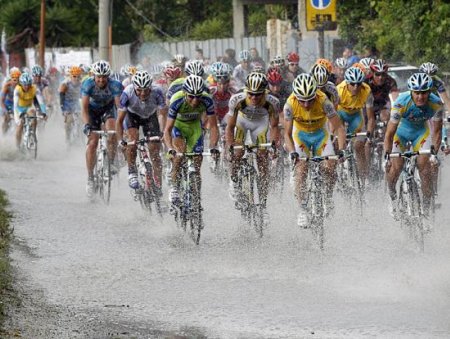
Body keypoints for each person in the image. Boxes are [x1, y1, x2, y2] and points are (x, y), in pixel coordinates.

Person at [284, 73, 346, 227]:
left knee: (330, 165)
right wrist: (292, 152)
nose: (306, 105)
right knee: (301, 168)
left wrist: (342, 150)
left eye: (310, 100)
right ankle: (302, 209)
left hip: (320, 135)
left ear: (315, 95)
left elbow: (339, 127)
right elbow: (286, 133)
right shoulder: (290, 104)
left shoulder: (324, 102)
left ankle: (328, 197)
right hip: (301, 136)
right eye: (302, 101)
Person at [384, 73, 443, 222]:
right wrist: (387, 155)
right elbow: (390, 133)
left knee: (425, 168)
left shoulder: (436, 104)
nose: (420, 97)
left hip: (420, 133)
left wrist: (434, 154)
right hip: (400, 133)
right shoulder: (400, 103)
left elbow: (436, 132)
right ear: (411, 92)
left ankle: (426, 207)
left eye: (424, 93)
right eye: (416, 93)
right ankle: (392, 196)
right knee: (396, 167)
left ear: (429, 92)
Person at [225, 72, 280, 223]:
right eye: (251, 94)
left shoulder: (272, 101)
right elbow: (229, 127)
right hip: (241, 122)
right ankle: (234, 181)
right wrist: (230, 146)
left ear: (265, 92)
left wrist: (274, 146)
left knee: (263, 159)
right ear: (246, 90)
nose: (254, 97)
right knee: (237, 152)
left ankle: (262, 205)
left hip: (260, 123)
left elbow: (275, 127)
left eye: (258, 94)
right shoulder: (237, 99)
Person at [163, 75, 219, 205]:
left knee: (197, 163)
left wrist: (213, 147)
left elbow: (214, 126)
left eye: (198, 96)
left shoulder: (207, 100)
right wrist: (171, 148)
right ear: (185, 93)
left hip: (194, 127)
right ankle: (174, 187)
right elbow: (167, 130)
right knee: (179, 154)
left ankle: (196, 200)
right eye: (191, 96)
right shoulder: (176, 100)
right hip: (178, 125)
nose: (195, 100)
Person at [116, 70, 167, 191]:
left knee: (155, 152)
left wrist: (162, 133)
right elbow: (119, 121)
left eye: (146, 90)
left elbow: (162, 115)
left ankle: (158, 188)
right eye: (139, 90)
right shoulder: (127, 93)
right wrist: (120, 140)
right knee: (133, 140)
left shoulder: (157, 91)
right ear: (134, 87)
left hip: (150, 116)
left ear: (151, 87)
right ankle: (132, 171)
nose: (143, 93)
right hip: (132, 117)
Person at [81, 60, 123, 198]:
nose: (101, 79)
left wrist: (121, 127)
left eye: (104, 77)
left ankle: (111, 162)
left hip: (108, 109)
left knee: (112, 132)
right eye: (98, 76)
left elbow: (119, 107)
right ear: (94, 75)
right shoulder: (87, 84)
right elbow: (84, 108)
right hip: (92, 111)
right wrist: (87, 125)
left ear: (108, 76)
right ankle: (90, 178)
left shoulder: (115, 85)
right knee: (93, 142)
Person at [336, 67, 375, 184]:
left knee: (359, 146)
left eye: (358, 84)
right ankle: (338, 170)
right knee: (340, 144)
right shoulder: (338, 90)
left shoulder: (366, 91)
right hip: (340, 114)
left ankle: (364, 179)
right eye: (352, 84)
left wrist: (369, 135)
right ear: (347, 82)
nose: (356, 87)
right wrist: (334, 134)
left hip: (355, 117)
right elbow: (332, 116)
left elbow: (371, 117)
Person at [13, 72, 47, 148]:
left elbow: (41, 102)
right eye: (25, 84)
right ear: (21, 84)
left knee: (34, 117)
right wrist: (17, 119)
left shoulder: (35, 89)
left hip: (29, 107)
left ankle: (33, 136)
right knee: (20, 125)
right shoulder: (17, 90)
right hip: (19, 108)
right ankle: (17, 146)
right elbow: (15, 105)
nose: (27, 86)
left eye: (28, 84)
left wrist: (44, 113)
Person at [59, 65, 83, 142]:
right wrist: (63, 109)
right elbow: (61, 96)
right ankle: (67, 139)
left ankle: (80, 136)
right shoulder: (65, 84)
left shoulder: (82, 84)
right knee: (69, 120)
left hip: (76, 102)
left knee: (81, 119)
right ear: (71, 76)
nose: (76, 78)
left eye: (78, 77)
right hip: (67, 103)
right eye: (74, 76)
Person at [1, 67, 21, 134]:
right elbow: (1, 100)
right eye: (13, 77)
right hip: (8, 102)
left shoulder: (22, 84)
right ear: (11, 78)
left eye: (17, 77)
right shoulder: (7, 85)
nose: (15, 80)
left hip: (17, 102)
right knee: (6, 117)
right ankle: (4, 133)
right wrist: (5, 111)